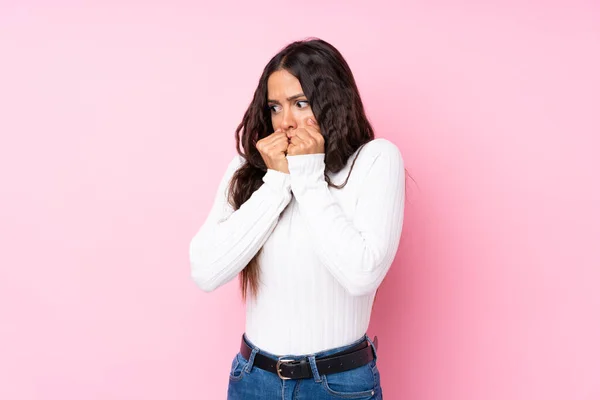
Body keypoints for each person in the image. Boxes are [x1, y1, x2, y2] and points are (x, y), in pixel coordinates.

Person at [189, 37, 405, 399]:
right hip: (253, 380)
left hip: (338, 385)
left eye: (300, 104)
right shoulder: (247, 170)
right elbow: (206, 271)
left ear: (331, 102)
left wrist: (306, 175)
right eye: (275, 107)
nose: (285, 122)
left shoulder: (375, 161)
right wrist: (277, 181)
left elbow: (361, 275)